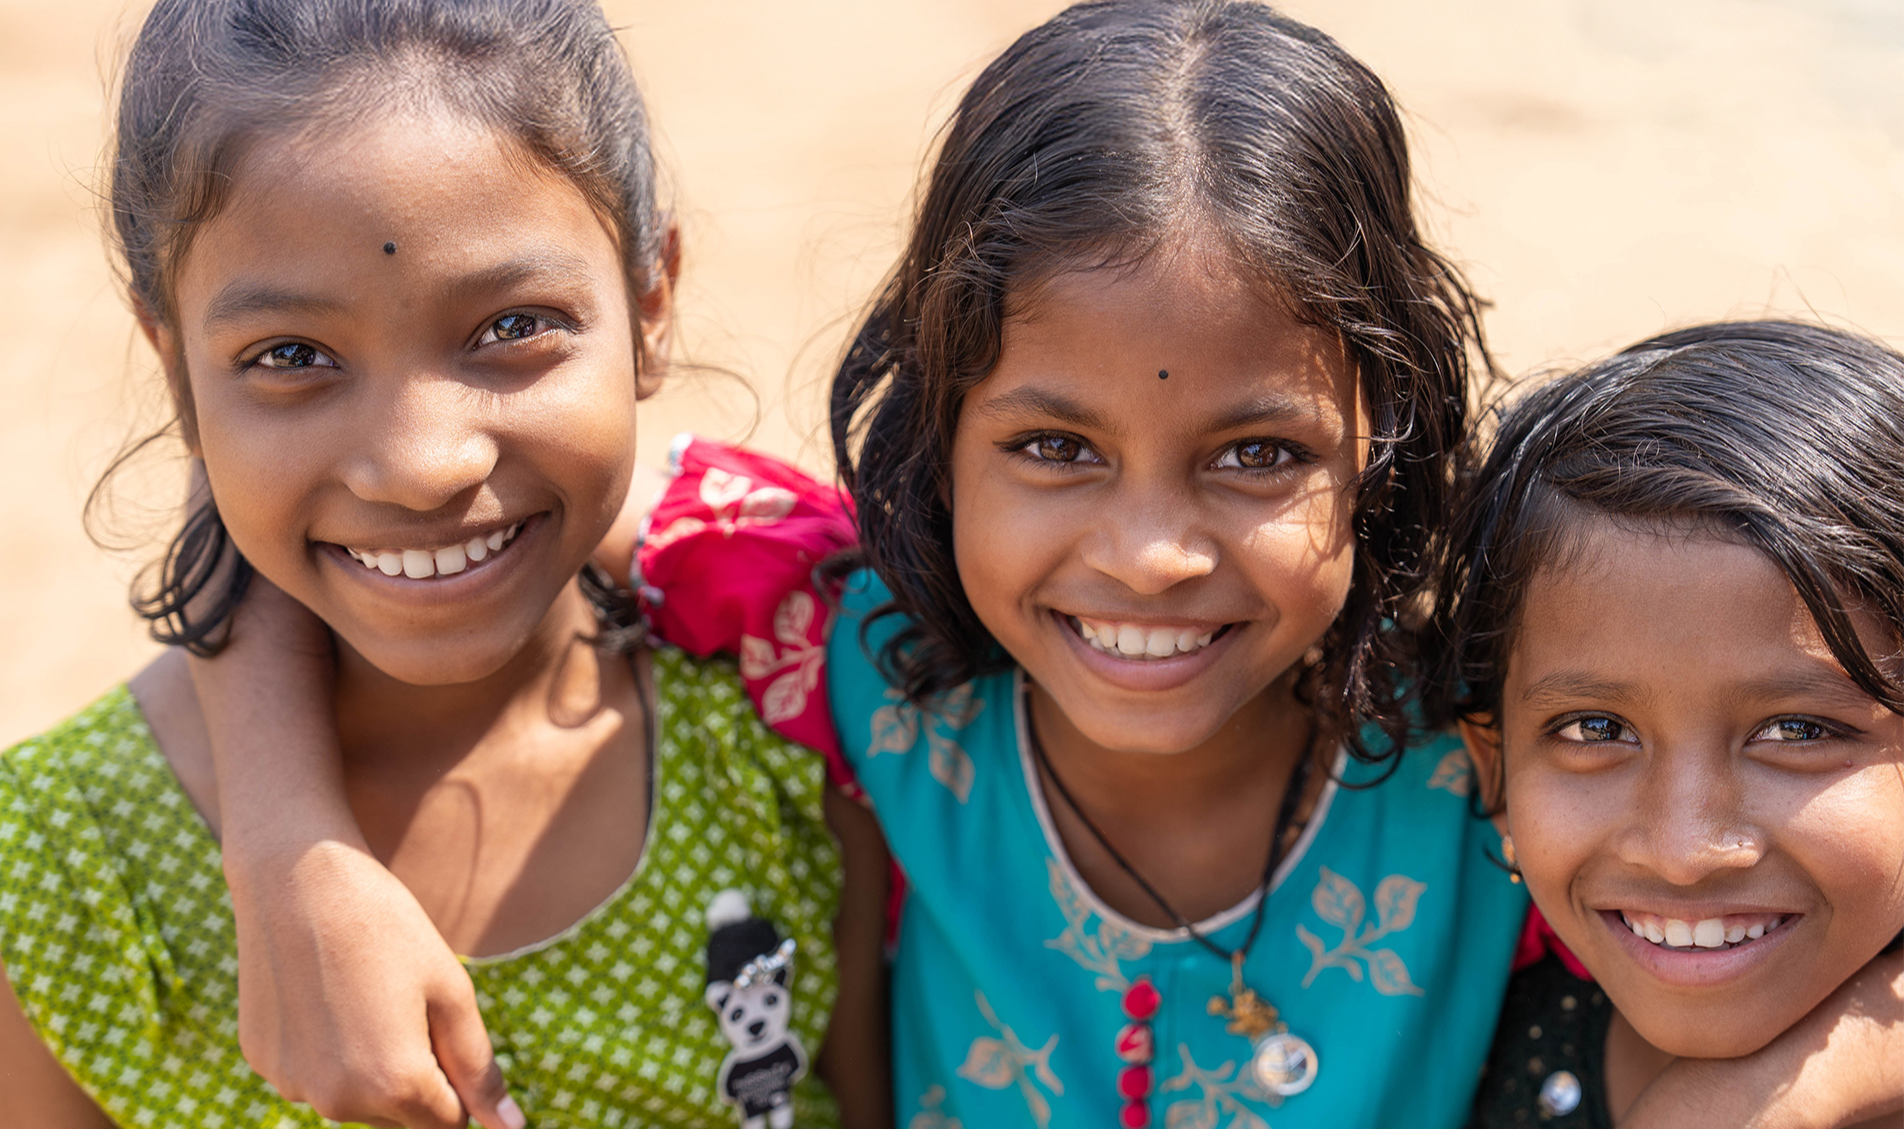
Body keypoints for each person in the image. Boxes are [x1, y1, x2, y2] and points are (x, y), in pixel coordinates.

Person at [177, 4, 1904, 1128]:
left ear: (1384, 434)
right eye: (1055, 447)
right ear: (938, 429)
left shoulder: (1491, 738)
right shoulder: (852, 637)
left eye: (1258, 453)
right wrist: (293, 849)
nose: (1148, 552)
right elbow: (430, 513)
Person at [0, 1, 888, 1126]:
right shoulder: (61, 887)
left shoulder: (795, 721)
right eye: (291, 356)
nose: (421, 465)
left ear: (649, 300)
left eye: (512, 326)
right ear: (173, 366)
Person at [1439, 322, 1904, 1127]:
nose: (1684, 853)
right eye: (1594, 728)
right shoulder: (1457, 1024)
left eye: (1797, 731)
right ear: (1496, 764)